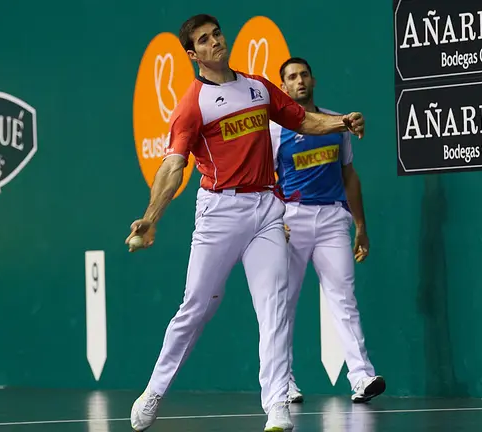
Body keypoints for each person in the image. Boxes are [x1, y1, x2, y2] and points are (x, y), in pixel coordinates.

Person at [125, 15, 366, 432]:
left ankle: (277, 406)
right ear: (193, 54)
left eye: (217, 34)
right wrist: (151, 217)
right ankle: (154, 392)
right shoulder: (193, 103)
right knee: (196, 307)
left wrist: (339, 121)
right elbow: (173, 166)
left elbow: (301, 119)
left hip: (267, 209)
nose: (215, 42)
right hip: (219, 212)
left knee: (274, 307)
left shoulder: (257, 87)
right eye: (204, 40)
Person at [270, 57, 385, 405]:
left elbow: (349, 174)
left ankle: (361, 377)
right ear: (283, 88)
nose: (299, 81)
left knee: (344, 298)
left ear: (313, 80)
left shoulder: (336, 122)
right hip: (291, 221)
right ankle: (283, 382)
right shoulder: (274, 130)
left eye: (304, 74)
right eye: (292, 77)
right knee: (283, 304)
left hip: (333, 219)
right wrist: (275, 221)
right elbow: (265, 181)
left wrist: (360, 226)